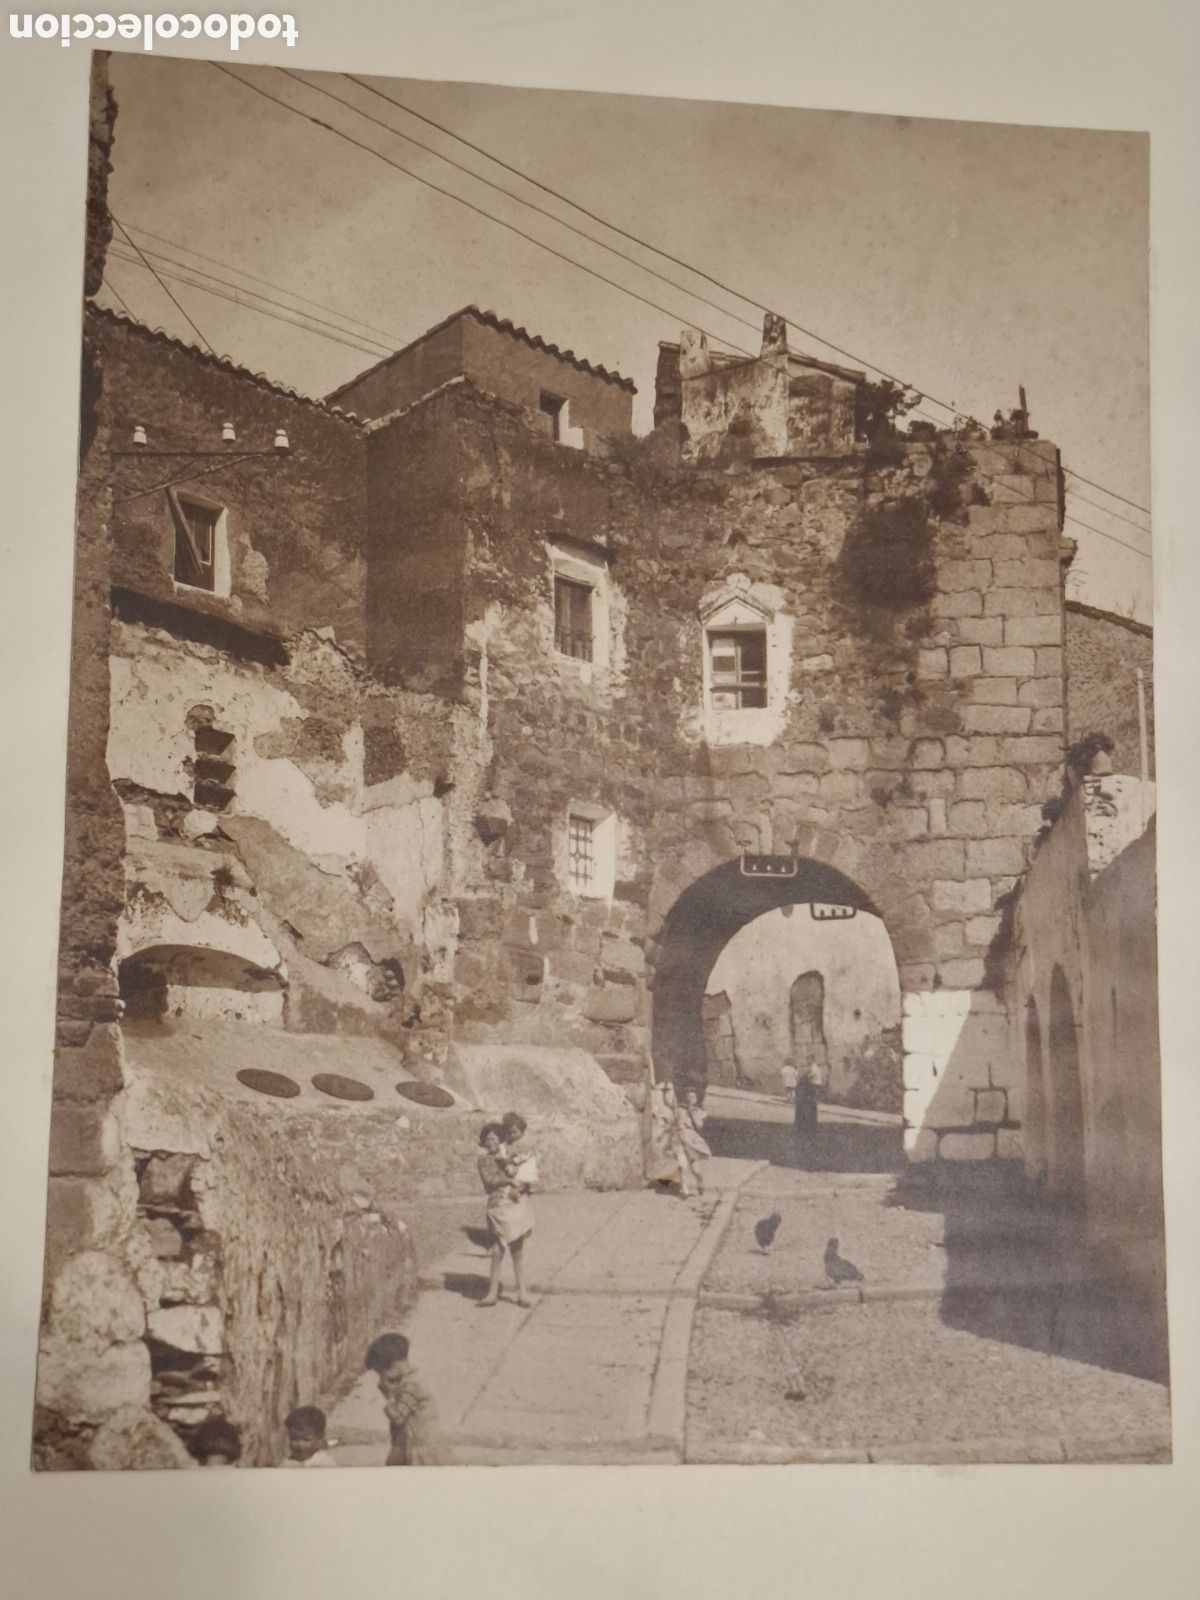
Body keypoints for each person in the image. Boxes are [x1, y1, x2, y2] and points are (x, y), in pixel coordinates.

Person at [364, 1332, 454, 1466]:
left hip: (422, 1445)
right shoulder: (407, 1382)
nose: (381, 1379)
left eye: (381, 1373)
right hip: (411, 1441)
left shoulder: (411, 1386)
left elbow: (398, 1418)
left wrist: (388, 1396)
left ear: (393, 1366)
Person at [477, 1120, 534, 1307]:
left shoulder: (509, 1154)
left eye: (493, 1138)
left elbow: (524, 1171)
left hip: (514, 1203)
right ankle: (492, 1293)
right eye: (487, 1139)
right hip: (497, 1206)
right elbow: (490, 1181)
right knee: (497, 1250)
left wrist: (519, 1181)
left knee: (517, 1249)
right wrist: (509, 1182)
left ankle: (522, 1292)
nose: (490, 1142)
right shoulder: (483, 1160)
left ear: (500, 1140)